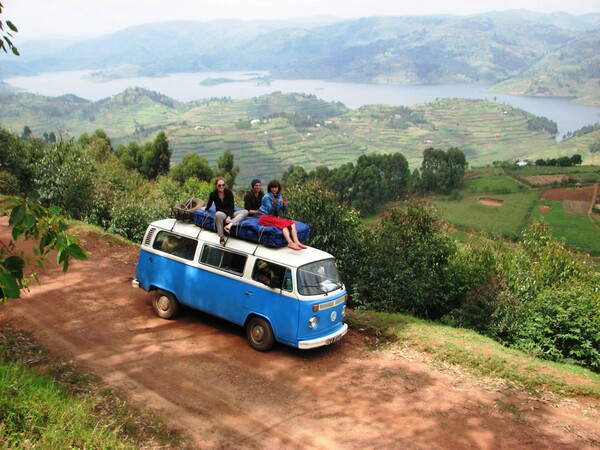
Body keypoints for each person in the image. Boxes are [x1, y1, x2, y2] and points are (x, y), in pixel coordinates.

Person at [258, 179, 306, 251]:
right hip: (265, 217)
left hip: (273, 217)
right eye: (272, 187)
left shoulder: (279, 196)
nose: (274, 189)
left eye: (276, 187)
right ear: (270, 188)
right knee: (283, 224)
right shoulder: (266, 197)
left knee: (292, 223)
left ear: (278, 188)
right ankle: (290, 243)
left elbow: (283, 209)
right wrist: (275, 203)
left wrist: (284, 204)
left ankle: (296, 241)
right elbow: (269, 209)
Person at [205, 177, 248, 245]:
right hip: (222, 213)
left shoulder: (228, 192)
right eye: (219, 185)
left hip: (231, 213)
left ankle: (229, 225)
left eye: (223, 185)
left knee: (245, 212)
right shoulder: (213, 194)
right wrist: (205, 209)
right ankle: (221, 237)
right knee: (217, 214)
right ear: (216, 185)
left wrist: (229, 217)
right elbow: (209, 203)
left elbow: (232, 206)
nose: (221, 186)